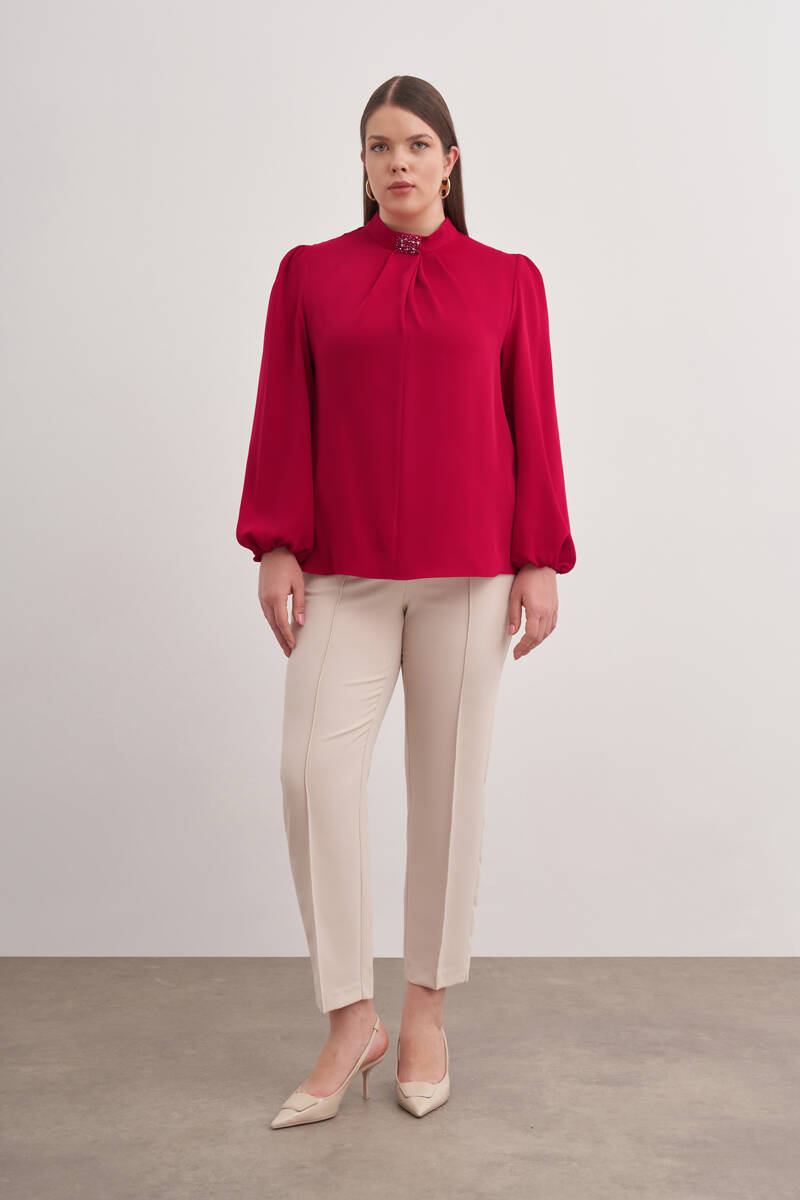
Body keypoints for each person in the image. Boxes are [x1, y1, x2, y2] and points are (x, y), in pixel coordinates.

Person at [236, 75, 576, 1127]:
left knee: (448, 789)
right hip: (341, 574)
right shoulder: (309, 275)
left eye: (418, 144)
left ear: (450, 162)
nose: (398, 162)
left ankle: (424, 1009)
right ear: (362, 162)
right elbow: (284, 409)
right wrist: (275, 542)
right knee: (310, 776)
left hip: (469, 575)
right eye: (380, 145)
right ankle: (352, 1018)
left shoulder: (507, 280)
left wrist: (538, 557)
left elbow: (532, 419)